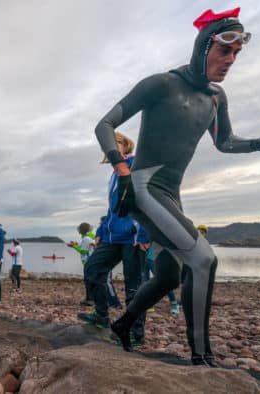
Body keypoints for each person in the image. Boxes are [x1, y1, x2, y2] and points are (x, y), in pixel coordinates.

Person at [93, 7, 260, 366]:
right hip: (142, 187)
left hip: (170, 194)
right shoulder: (161, 84)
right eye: (224, 51)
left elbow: (224, 142)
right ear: (204, 47)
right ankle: (202, 358)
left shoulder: (217, 98)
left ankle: (123, 325)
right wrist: (122, 170)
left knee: (170, 274)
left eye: (236, 54)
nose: (231, 60)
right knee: (203, 259)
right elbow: (104, 125)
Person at [78, 132, 150, 350]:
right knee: (92, 269)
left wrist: (144, 232)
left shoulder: (136, 164)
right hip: (112, 235)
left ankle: (136, 334)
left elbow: (147, 197)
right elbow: (113, 208)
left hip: (133, 237)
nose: (108, 149)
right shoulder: (113, 174)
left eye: (114, 143)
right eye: (106, 146)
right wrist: (101, 230)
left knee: (133, 287)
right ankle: (101, 316)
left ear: (125, 145)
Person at [144, 246, 179, 315]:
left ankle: (174, 303)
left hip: (155, 257)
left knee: (164, 282)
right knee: (145, 282)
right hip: (144, 255)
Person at [67, 222, 96, 306]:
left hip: (88, 262)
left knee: (88, 280)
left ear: (81, 230)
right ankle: (91, 298)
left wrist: (73, 246)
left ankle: (90, 299)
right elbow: (85, 248)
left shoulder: (86, 238)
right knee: (90, 280)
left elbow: (83, 251)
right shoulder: (88, 238)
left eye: (79, 229)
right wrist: (76, 245)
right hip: (90, 261)